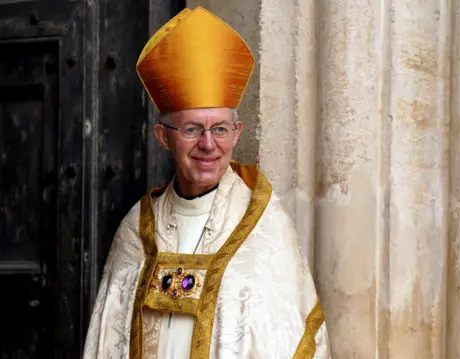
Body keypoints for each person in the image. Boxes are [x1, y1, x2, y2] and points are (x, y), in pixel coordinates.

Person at [81, 6, 331, 359]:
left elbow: (285, 337)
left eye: (220, 129)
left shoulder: (263, 225)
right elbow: (109, 339)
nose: (208, 144)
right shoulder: (137, 230)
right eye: (192, 129)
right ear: (163, 137)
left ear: (236, 133)